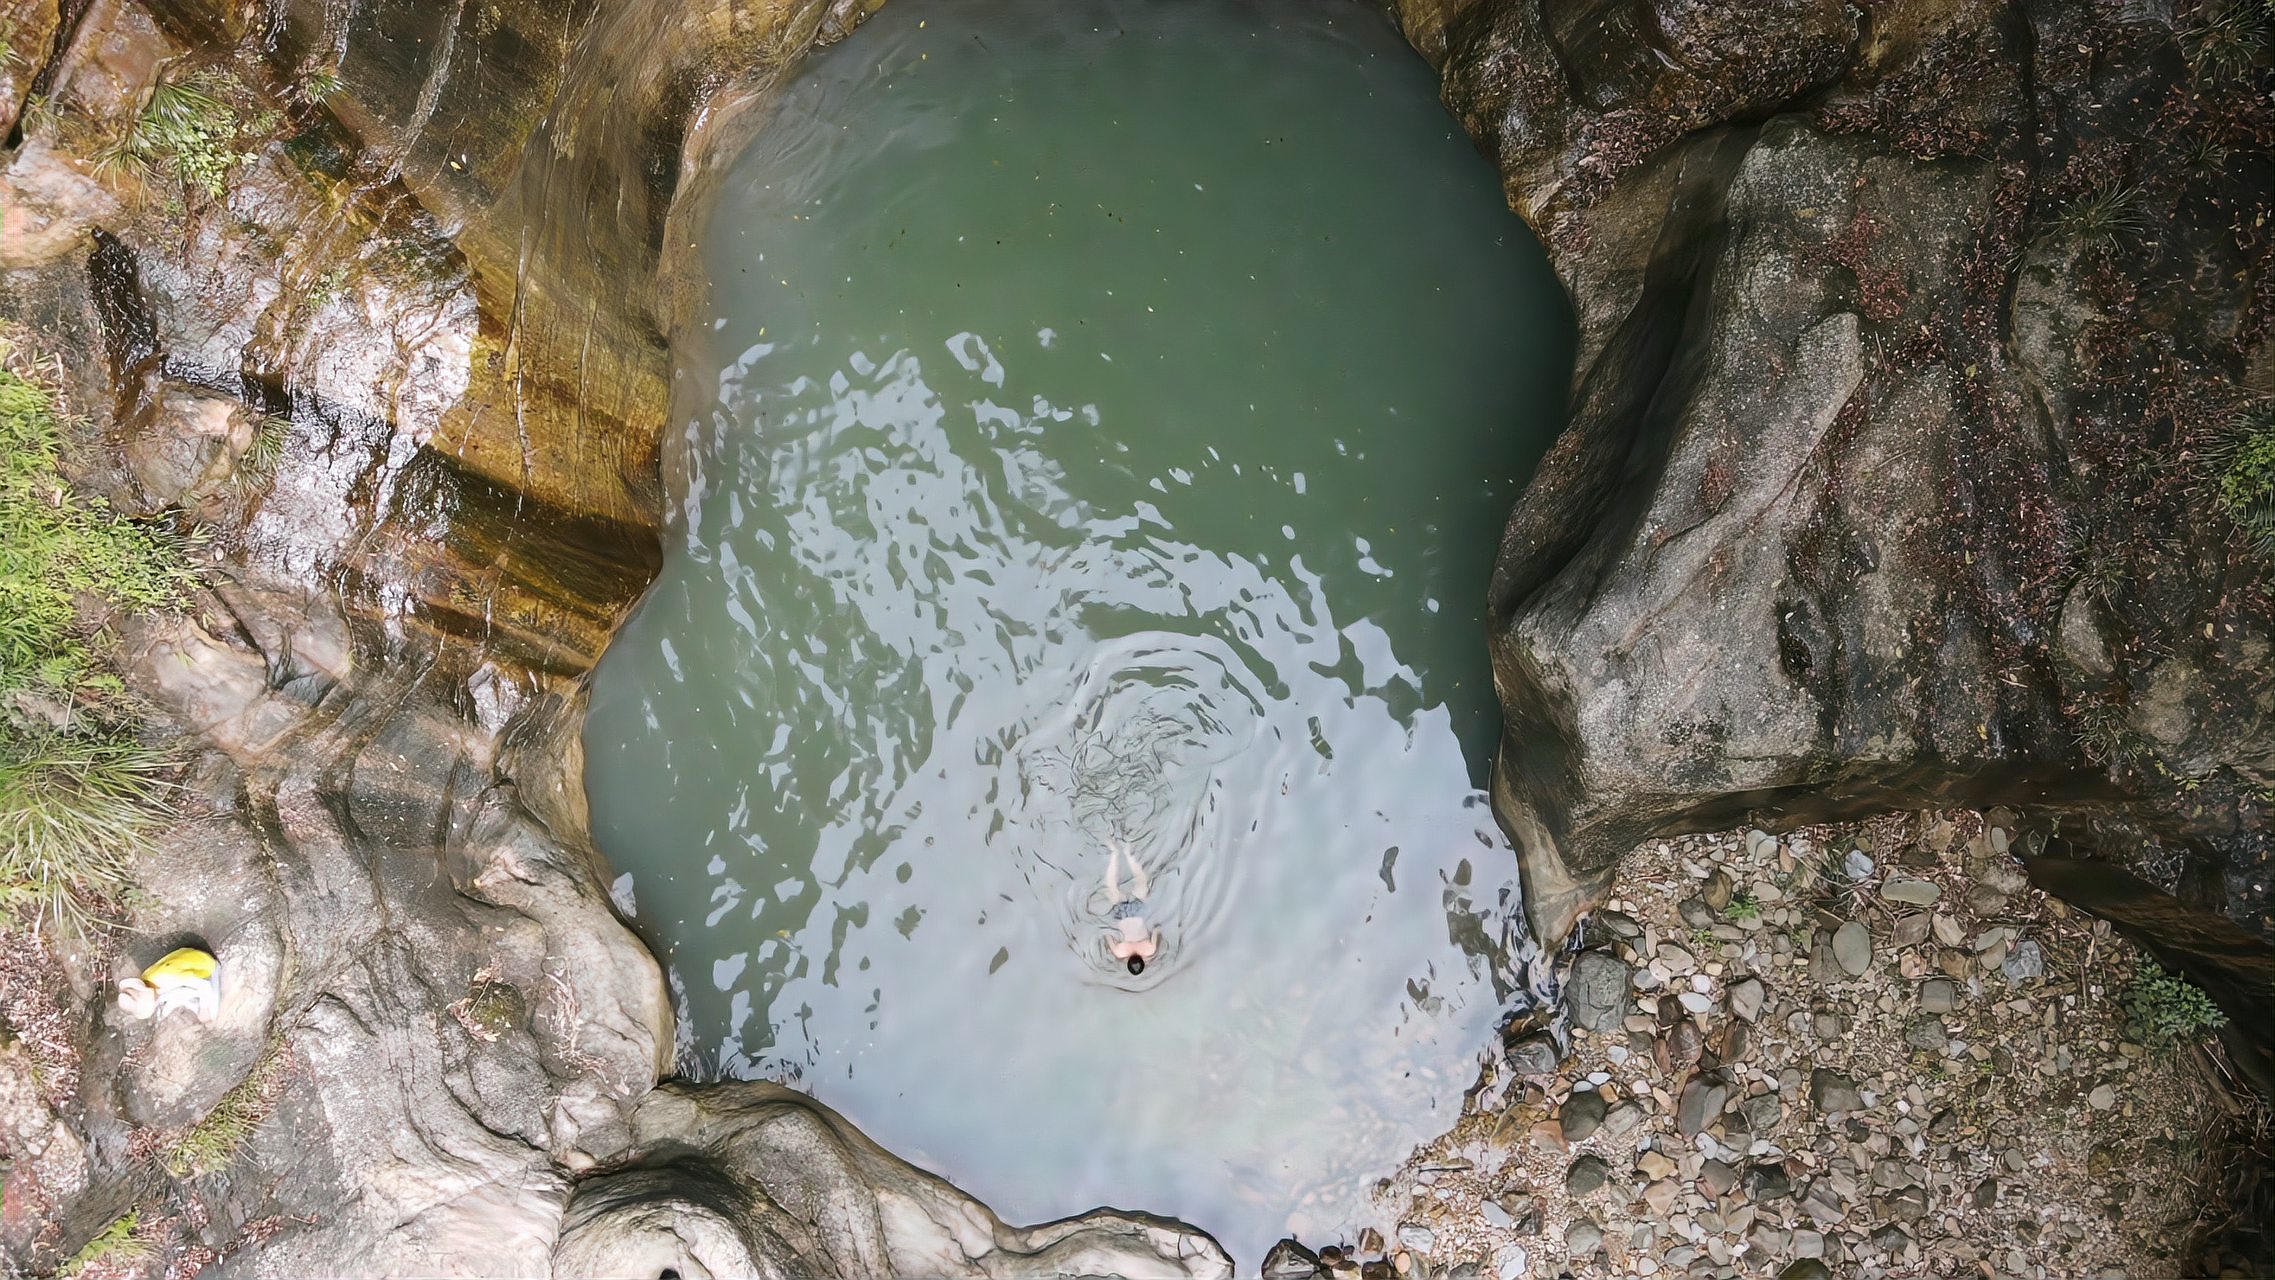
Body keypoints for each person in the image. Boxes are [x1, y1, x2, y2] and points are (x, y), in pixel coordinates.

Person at [116, 946, 223, 1024]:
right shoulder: (146, 978)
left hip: (207, 966)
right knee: (180, 998)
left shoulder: (168, 978)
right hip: (186, 959)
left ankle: (205, 1012)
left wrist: (204, 1009)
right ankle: (194, 1006)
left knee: (212, 1016)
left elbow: (204, 986)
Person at [1102, 837, 1161, 975]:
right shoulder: (1119, 952)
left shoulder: (1150, 949)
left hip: (1138, 913)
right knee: (1111, 887)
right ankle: (1114, 852)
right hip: (1121, 916)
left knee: (1142, 881)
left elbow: (1157, 929)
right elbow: (1105, 934)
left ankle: (1128, 853)